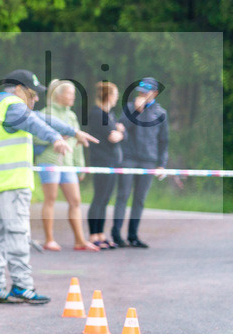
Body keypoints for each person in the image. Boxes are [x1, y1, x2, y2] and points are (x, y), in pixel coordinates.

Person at [0, 70, 96, 306]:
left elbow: (42, 119)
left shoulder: (2, 104)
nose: (35, 101)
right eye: (32, 95)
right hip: (11, 183)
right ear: (19, 88)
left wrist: (72, 132)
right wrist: (55, 138)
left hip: (0, 181)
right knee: (18, 234)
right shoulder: (12, 105)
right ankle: (22, 286)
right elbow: (35, 122)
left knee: (0, 235)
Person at [33, 80, 96, 251]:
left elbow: (78, 141)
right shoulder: (45, 113)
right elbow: (35, 137)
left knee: (75, 201)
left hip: (67, 163)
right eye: (70, 93)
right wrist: (56, 137)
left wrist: (80, 165)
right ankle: (49, 239)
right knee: (50, 200)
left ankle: (80, 241)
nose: (73, 97)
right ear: (59, 95)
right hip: (49, 161)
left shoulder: (72, 116)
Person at [111, 77, 168, 248]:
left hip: (149, 160)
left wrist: (161, 164)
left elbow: (164, 141)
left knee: (140, 199)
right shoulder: (129, 108)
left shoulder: (161, 113)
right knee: (122, 196)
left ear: (155, 93)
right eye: (141, 91)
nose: (142, 94)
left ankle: (133, 235)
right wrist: (136, 111)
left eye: (146, 91)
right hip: (128, 158)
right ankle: (116, 235)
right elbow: (122, 128)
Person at [85, 81, 124, 249]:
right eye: (115, 96)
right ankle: (94, 235)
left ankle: (101, 233)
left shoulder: (109, 115)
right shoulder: (97, 114)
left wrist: (118, 131)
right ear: (108, 97)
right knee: (99, 198)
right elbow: (113, 136)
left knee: (105, 198)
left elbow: (116, 132)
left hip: (112, 162)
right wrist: (120, 132)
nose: (116, 99)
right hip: (103, 161)